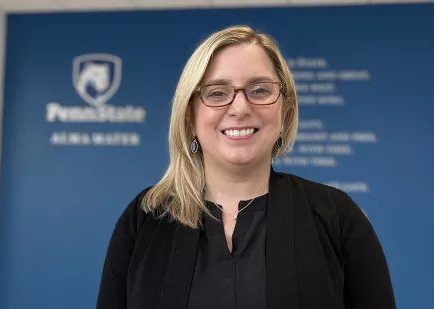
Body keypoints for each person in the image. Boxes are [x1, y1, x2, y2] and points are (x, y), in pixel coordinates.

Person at [96, 25, 396, 309]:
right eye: (217, 92)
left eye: (260, 90)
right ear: (189, 116)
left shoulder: (336, 216)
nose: (240, 108)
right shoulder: (146, 218)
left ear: (285, 111)